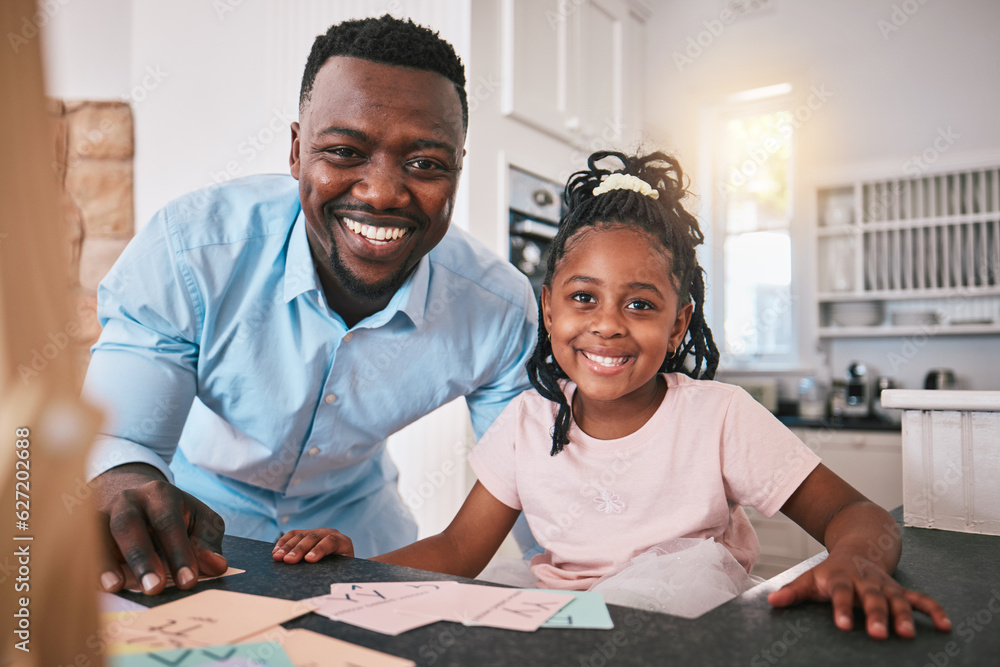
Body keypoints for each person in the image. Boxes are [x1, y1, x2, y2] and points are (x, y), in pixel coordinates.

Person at [274, 150, 951, 639]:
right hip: (556, 610)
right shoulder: (527, 421)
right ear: (548, 308)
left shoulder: (718, 417)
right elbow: (456, 551)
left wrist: (854, 559)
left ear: (678, 322)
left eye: (640, 303)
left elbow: (857, 514)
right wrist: (350, 566)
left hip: (679, 623)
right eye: (583, 298)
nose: (606, 323)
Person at [86, 15, 537, 596]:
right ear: (298, 151)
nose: (381, 193)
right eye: (345, 151)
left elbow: (538, 486)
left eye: (425, 163)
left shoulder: (497, 309)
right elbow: (127, 440)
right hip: (194, 525)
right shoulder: (193, 251)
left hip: (363, 539)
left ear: (456, 170)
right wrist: (128, 485)